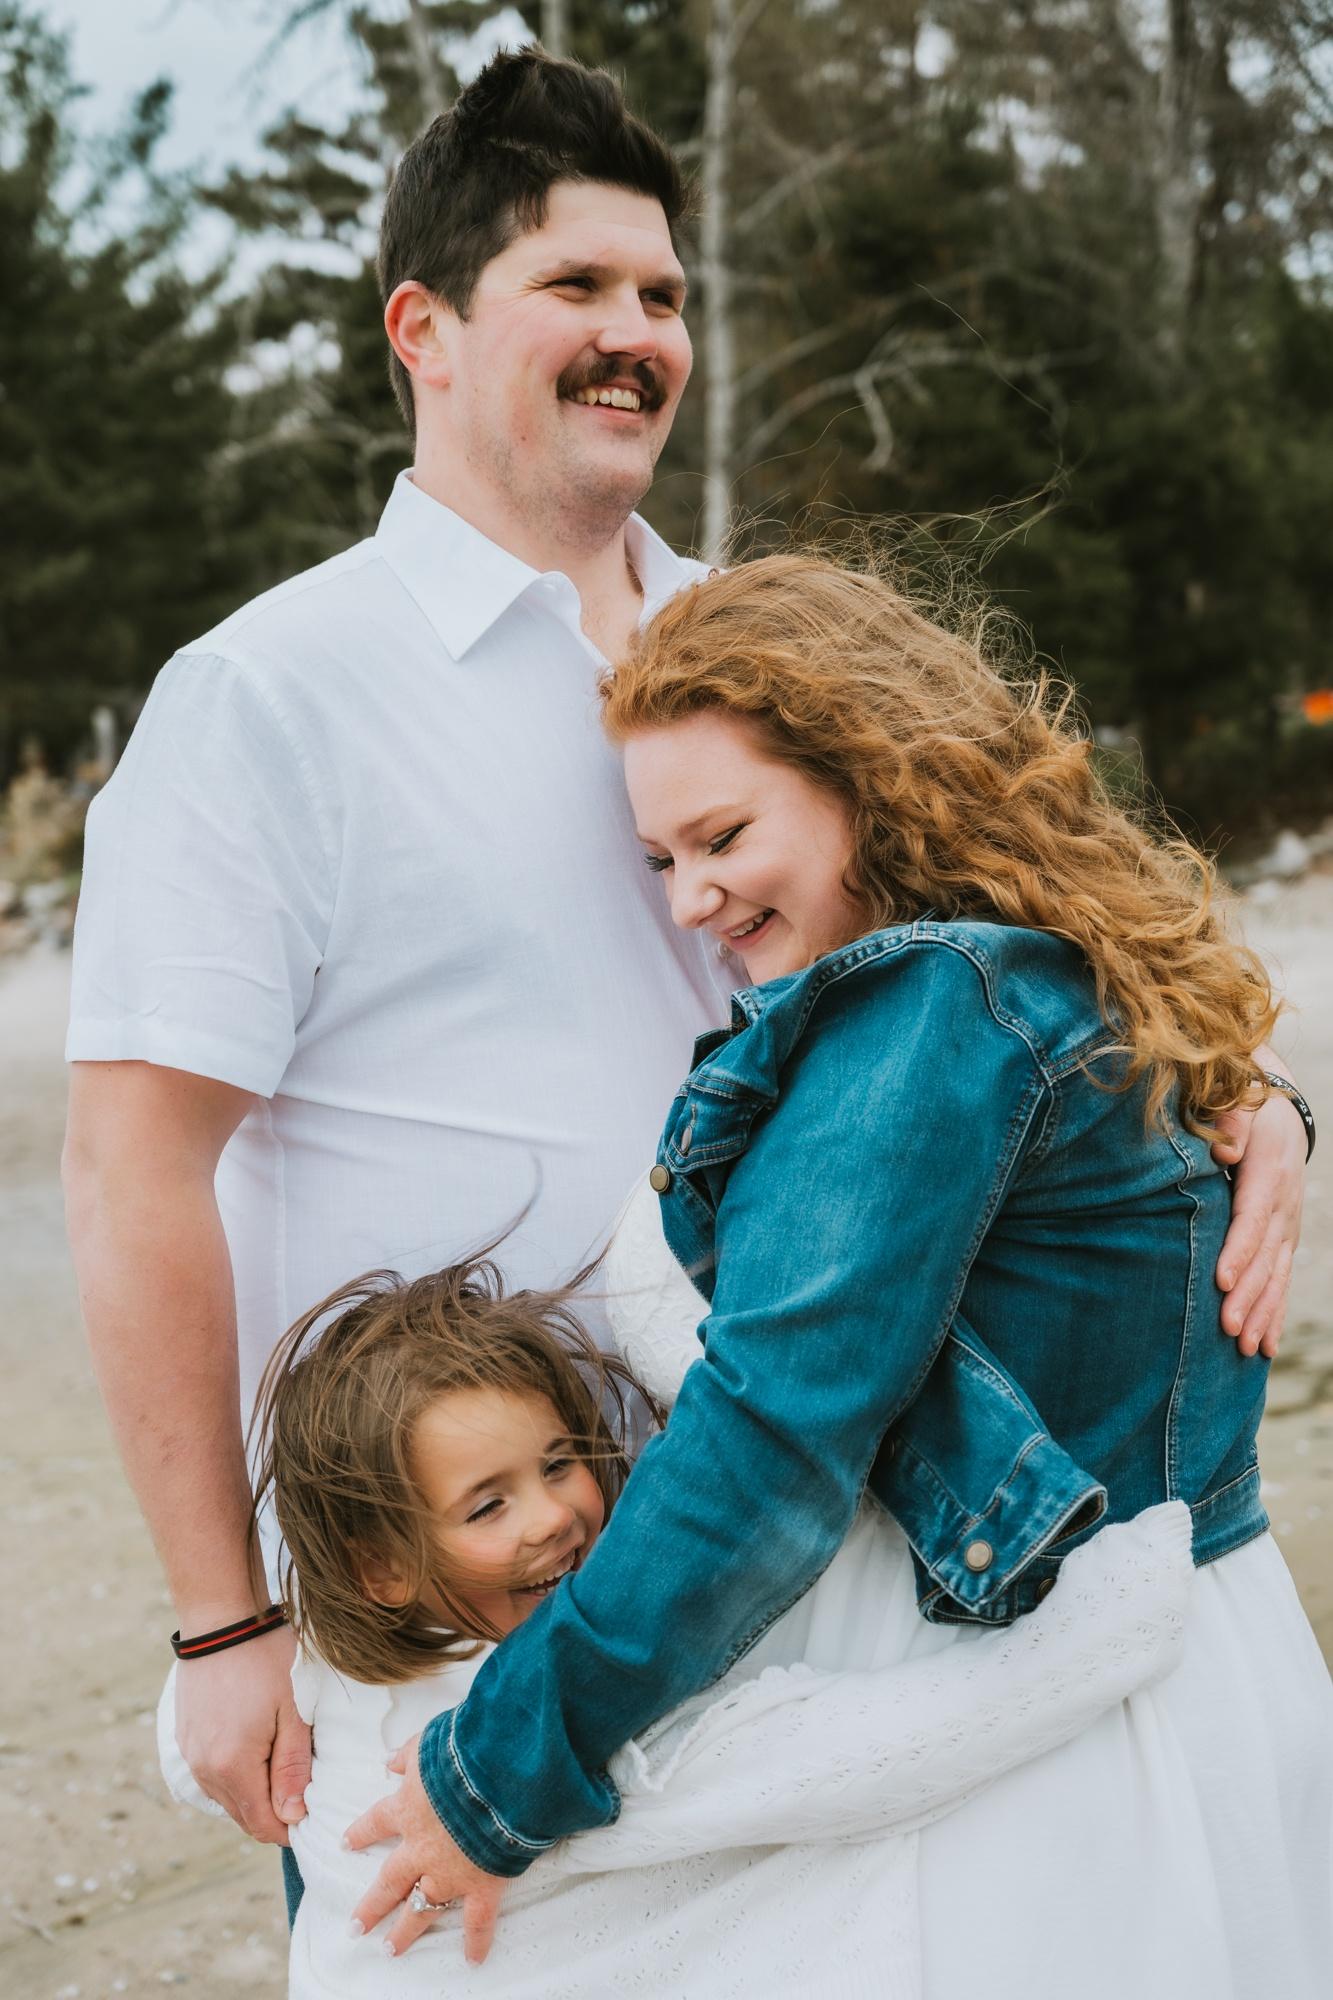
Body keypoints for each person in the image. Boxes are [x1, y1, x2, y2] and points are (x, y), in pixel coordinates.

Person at [62, 42, 1303, 1895]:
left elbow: (1024, 933)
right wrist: (222, 1626)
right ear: (423, 327)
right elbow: (133, 1168)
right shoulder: (268, 698)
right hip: (489, 1587)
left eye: (659, 292)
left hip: (829, 1550)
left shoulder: (752, 651)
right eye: (572, 286)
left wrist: (1234, 1093)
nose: (633, 330)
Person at [347, 553, 1332, 1997]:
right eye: (661, 860)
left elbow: (774, 1429)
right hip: (1166, 1676)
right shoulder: (1044, 971)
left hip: (1038, 1758)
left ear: (869, 771)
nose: (691, 899)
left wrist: (498, 1774)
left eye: (723, 833)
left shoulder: (923, 1010)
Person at [159, 1256, 1195, 1998]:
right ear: (379, 1567)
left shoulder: (314, 1677)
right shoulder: (571, 1726)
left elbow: (182, 1737)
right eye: (487, 1505)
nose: (553, 1516)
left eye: (558, 1461)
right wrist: (1128, 1608)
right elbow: (864, 1756)